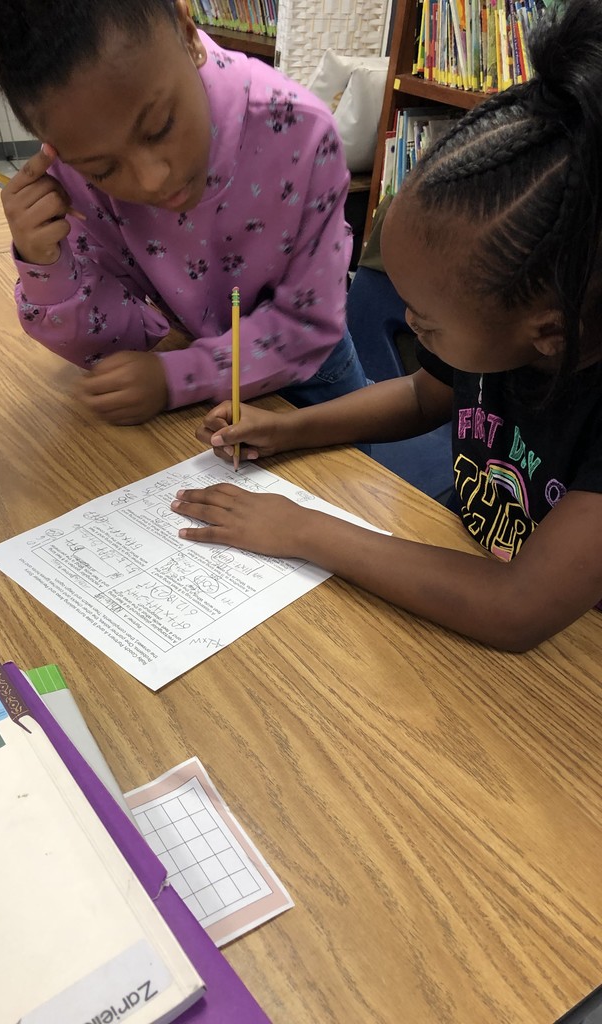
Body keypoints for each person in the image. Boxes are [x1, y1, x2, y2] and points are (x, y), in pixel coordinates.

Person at [170, 0, 602, 653]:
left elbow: (517, 609)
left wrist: (306, 530)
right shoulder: (510, 326)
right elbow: (421, 396)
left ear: (548, 334)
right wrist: (286, 428)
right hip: (470, 552)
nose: (404, 326)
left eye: (426, 324)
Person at [0, 0, 367, 425]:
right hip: (195, 411)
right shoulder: (71, 173)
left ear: (186, 31)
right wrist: (46, 265)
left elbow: (308, 325)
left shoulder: (300, 132)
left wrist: (177, 376)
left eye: (160, 126)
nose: (151, 180)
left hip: (312, 393)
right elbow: (118, 346)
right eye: (102, 169)